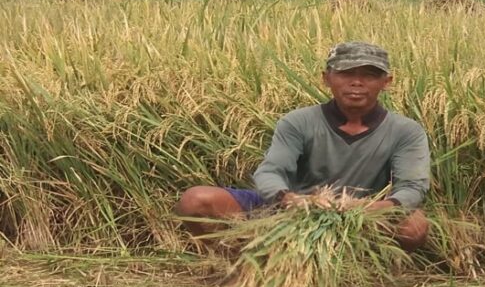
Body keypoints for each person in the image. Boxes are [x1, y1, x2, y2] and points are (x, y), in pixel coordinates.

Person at [175, 41, 431, 252]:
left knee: (414, 227)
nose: (357, 82)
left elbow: (411, 187)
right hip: (294, 208)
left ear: (387, 82)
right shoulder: (299, 121)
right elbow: (269, 172)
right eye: (346, 73)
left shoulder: (405, 131)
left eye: (369, 75)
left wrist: (370, 208)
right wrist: (290, 199)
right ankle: (236, 263)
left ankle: (374, 268)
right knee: (195, 201)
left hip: (363, 212)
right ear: (326, 79)